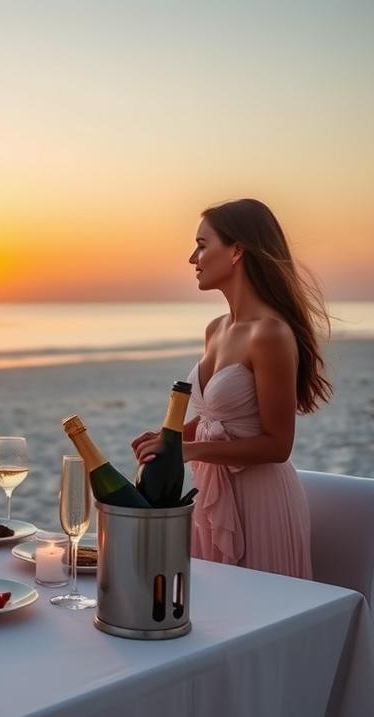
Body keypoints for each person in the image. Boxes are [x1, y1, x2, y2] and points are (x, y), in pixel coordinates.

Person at [132, 199, 331, 578]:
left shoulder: (270, 333)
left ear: (237, 250)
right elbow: (218, 418)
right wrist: (168, 439)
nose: (193, 257)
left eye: (203, 245)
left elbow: (278, 445)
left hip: (261, 504)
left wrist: (189, 451)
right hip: (211, 499)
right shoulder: (216, 329)